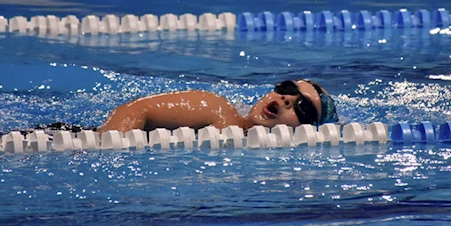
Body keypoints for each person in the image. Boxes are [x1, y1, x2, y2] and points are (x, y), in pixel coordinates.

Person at [98, 79, 337, 133]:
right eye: (288, 89)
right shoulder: (216, 109)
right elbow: (134, 110)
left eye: (302, 108)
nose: (287, 99)